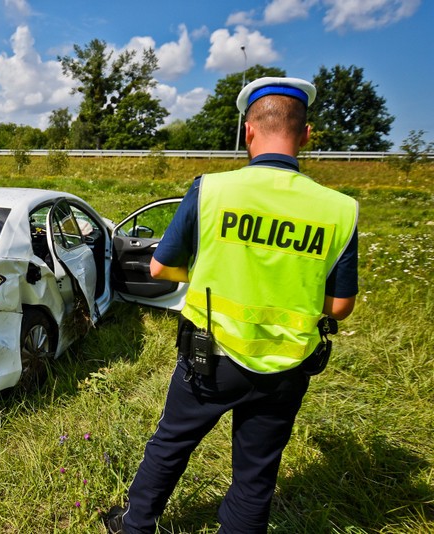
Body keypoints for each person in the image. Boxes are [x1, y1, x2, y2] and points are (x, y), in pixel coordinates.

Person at [105, 77, 359, 534]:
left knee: (171, 444)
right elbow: (340, 306)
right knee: (255, 474)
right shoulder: (339, 209)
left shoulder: (212, 190)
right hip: (286, 365)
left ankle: (135, 524)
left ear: (248, 131)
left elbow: (160, 270)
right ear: (305, 134)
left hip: (210, 357)